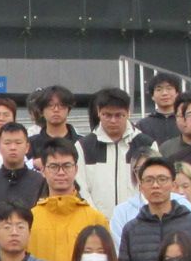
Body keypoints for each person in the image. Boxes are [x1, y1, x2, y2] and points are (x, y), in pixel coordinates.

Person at [25, 142, 100, 261]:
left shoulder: (95, 219)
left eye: (67, 166)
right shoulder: (30, 220)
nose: (61, 172)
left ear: (76, 169)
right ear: (43, 170)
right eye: (54, 166)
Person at [77, 86, 146, 214]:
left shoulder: (146, 144)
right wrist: (96, 217)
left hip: (138, 220)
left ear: (128, 112)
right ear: (98, 112)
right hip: (96, 221)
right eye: (107, 115)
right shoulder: (83, 146)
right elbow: (81, 187)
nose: (113, 121)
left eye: (119, 115)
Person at [27, 85, 81, 164]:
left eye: (61, 105)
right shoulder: (30, 144)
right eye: (50, 105)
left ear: (68, 110)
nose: (56, 109)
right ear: (42, 111)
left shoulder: (82, 143)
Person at [135, 73, 183, 148]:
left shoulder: (185, 119)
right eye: (159, 89)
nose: (164, 93)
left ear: (177, 93)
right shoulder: (143, 125)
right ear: (152, 96)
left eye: (169, 88)